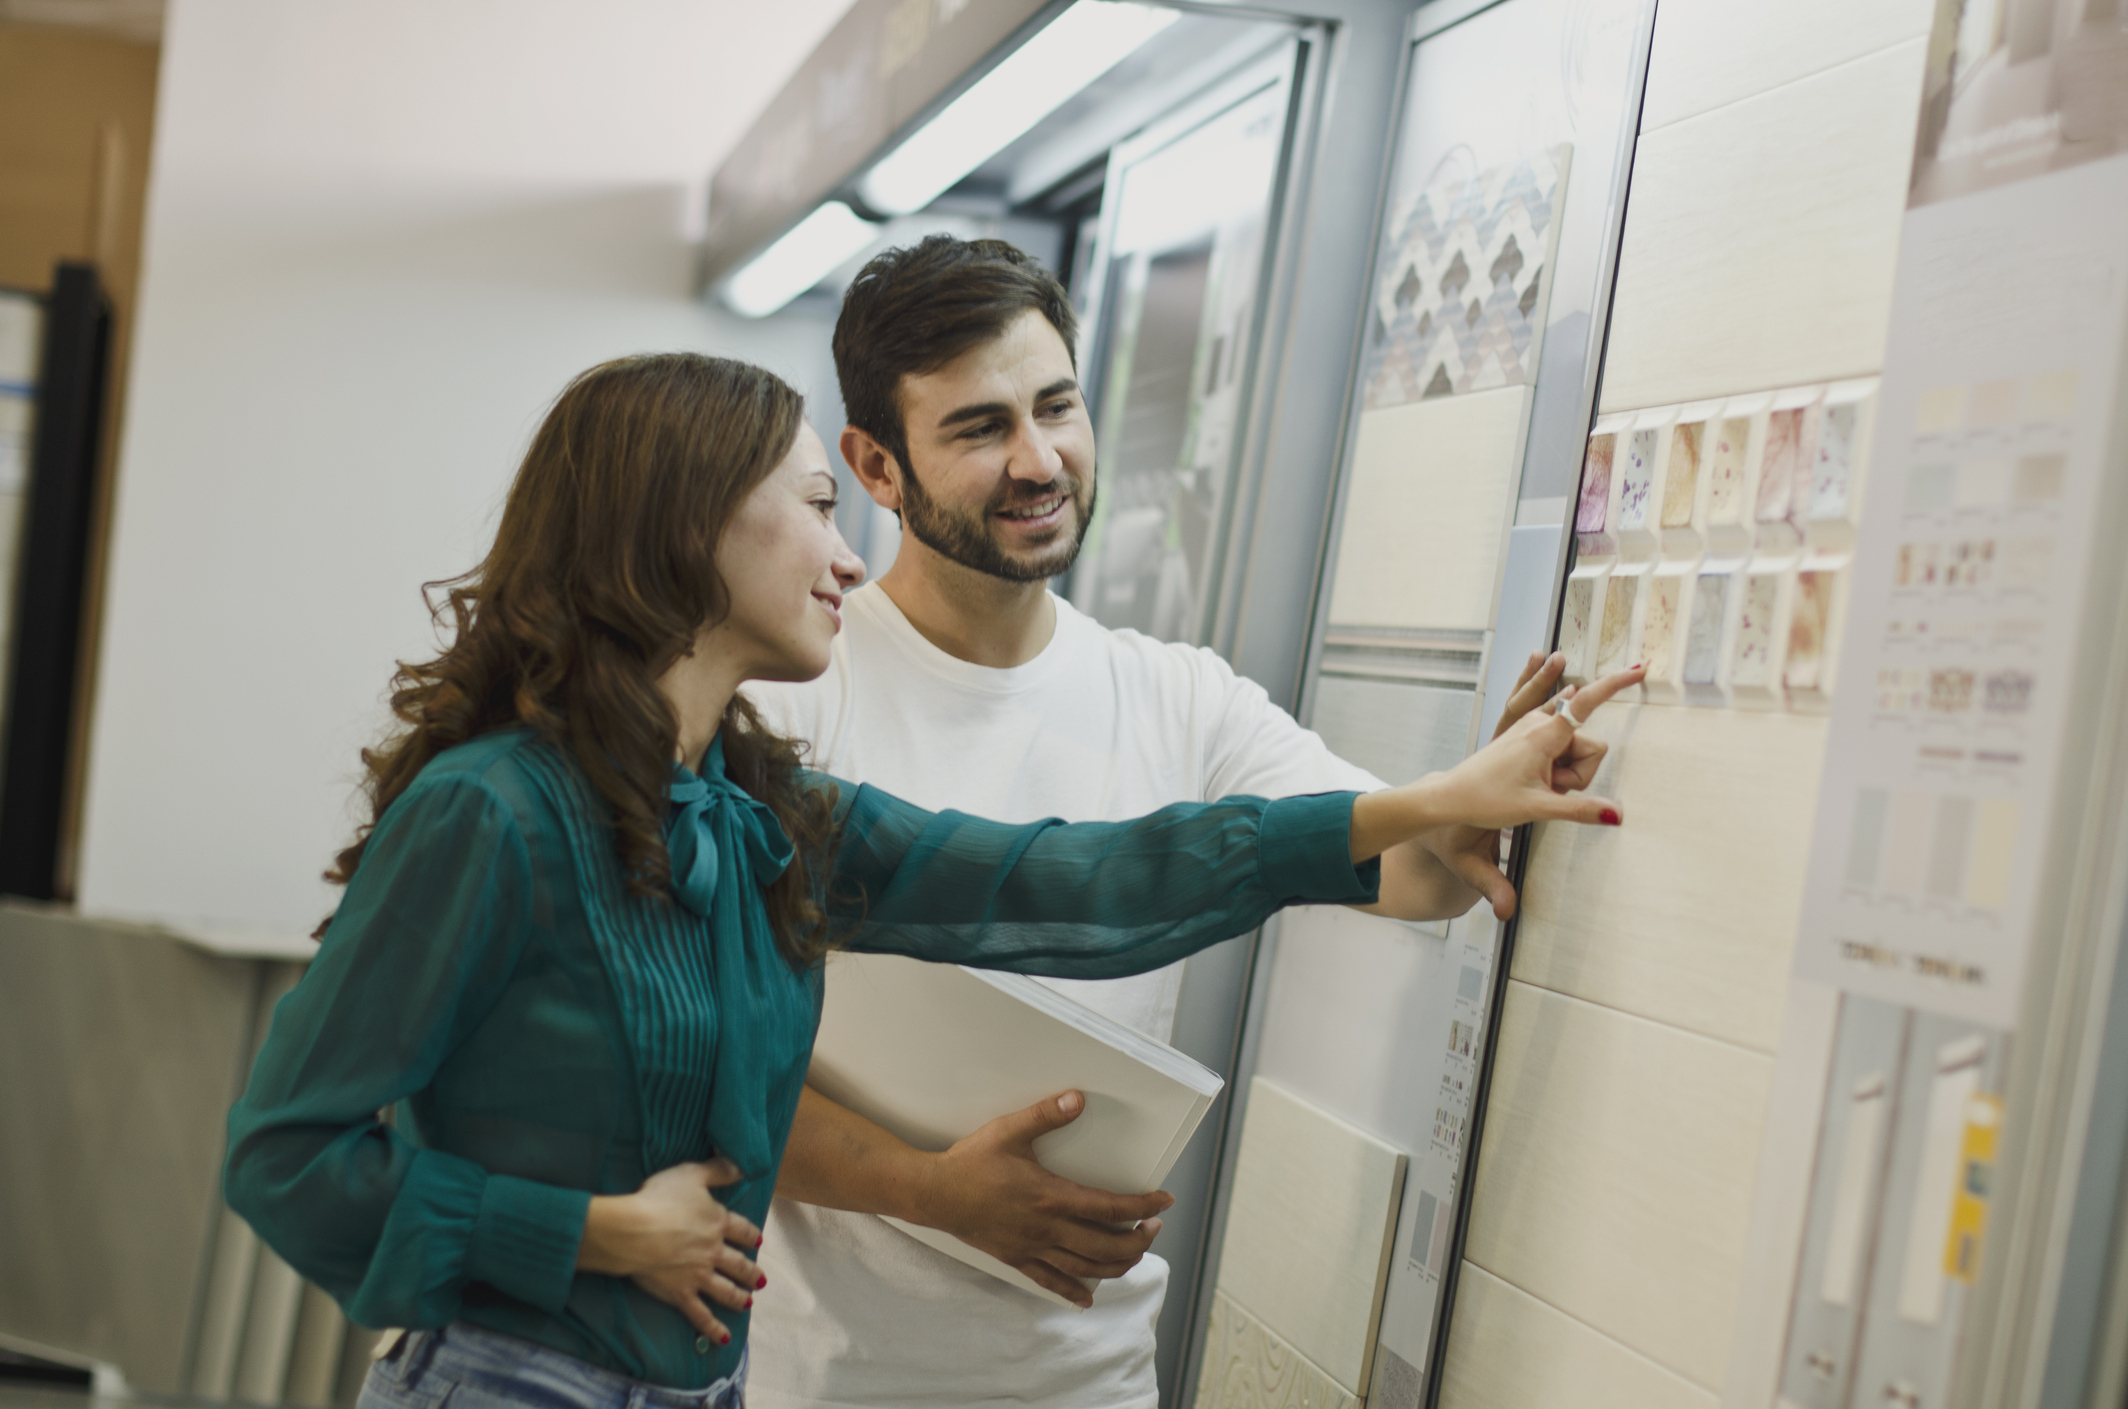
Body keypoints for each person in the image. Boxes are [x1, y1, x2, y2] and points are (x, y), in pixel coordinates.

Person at [222, 352, 1634, 1409]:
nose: (847, 555)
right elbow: (286, 1156)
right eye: (817, 506)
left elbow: (1078, 880)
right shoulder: (495, 815)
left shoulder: (757, 811)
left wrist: (1425, 806)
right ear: (685, 526)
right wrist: (587, 1232)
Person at [744, 237, 1626, 1408]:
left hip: (1087, 1378)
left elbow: (1412, 874)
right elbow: (709, 1071)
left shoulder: (1178, 694)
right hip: (822, 1380)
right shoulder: (789, 695)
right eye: (977, 427)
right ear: (876, 465)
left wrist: (1482, 791)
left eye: (1057, 405)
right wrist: (928, 1186)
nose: (1038, 457)